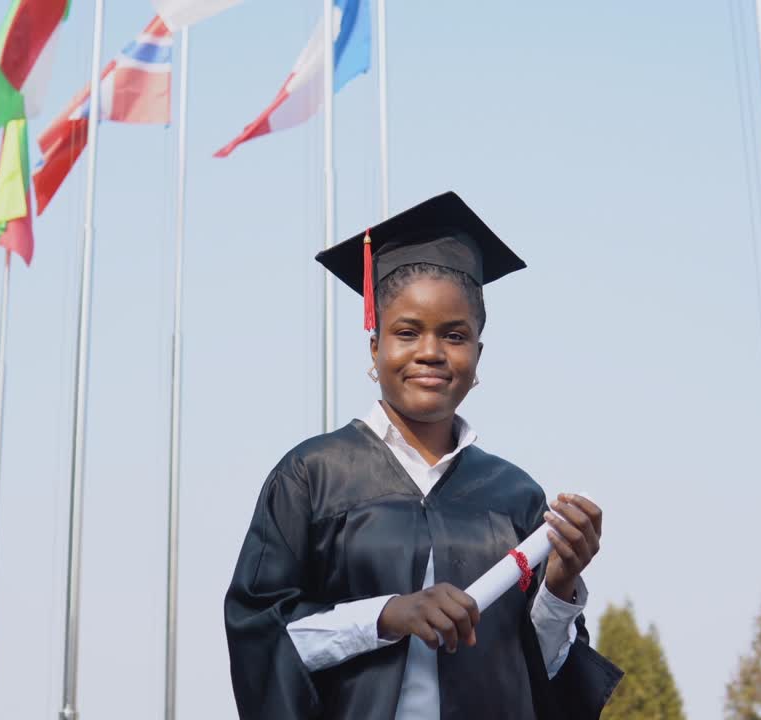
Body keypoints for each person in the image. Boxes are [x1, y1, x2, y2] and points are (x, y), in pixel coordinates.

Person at [224, 192, 622, 720]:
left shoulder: (515, 495)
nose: (431, 352)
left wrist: (560, 585)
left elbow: (541, 672)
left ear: (478, 354)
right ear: (375, 348)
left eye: (455, 336)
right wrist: (387, 615)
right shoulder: (313, 476)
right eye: (407, 332)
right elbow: (261, 635)